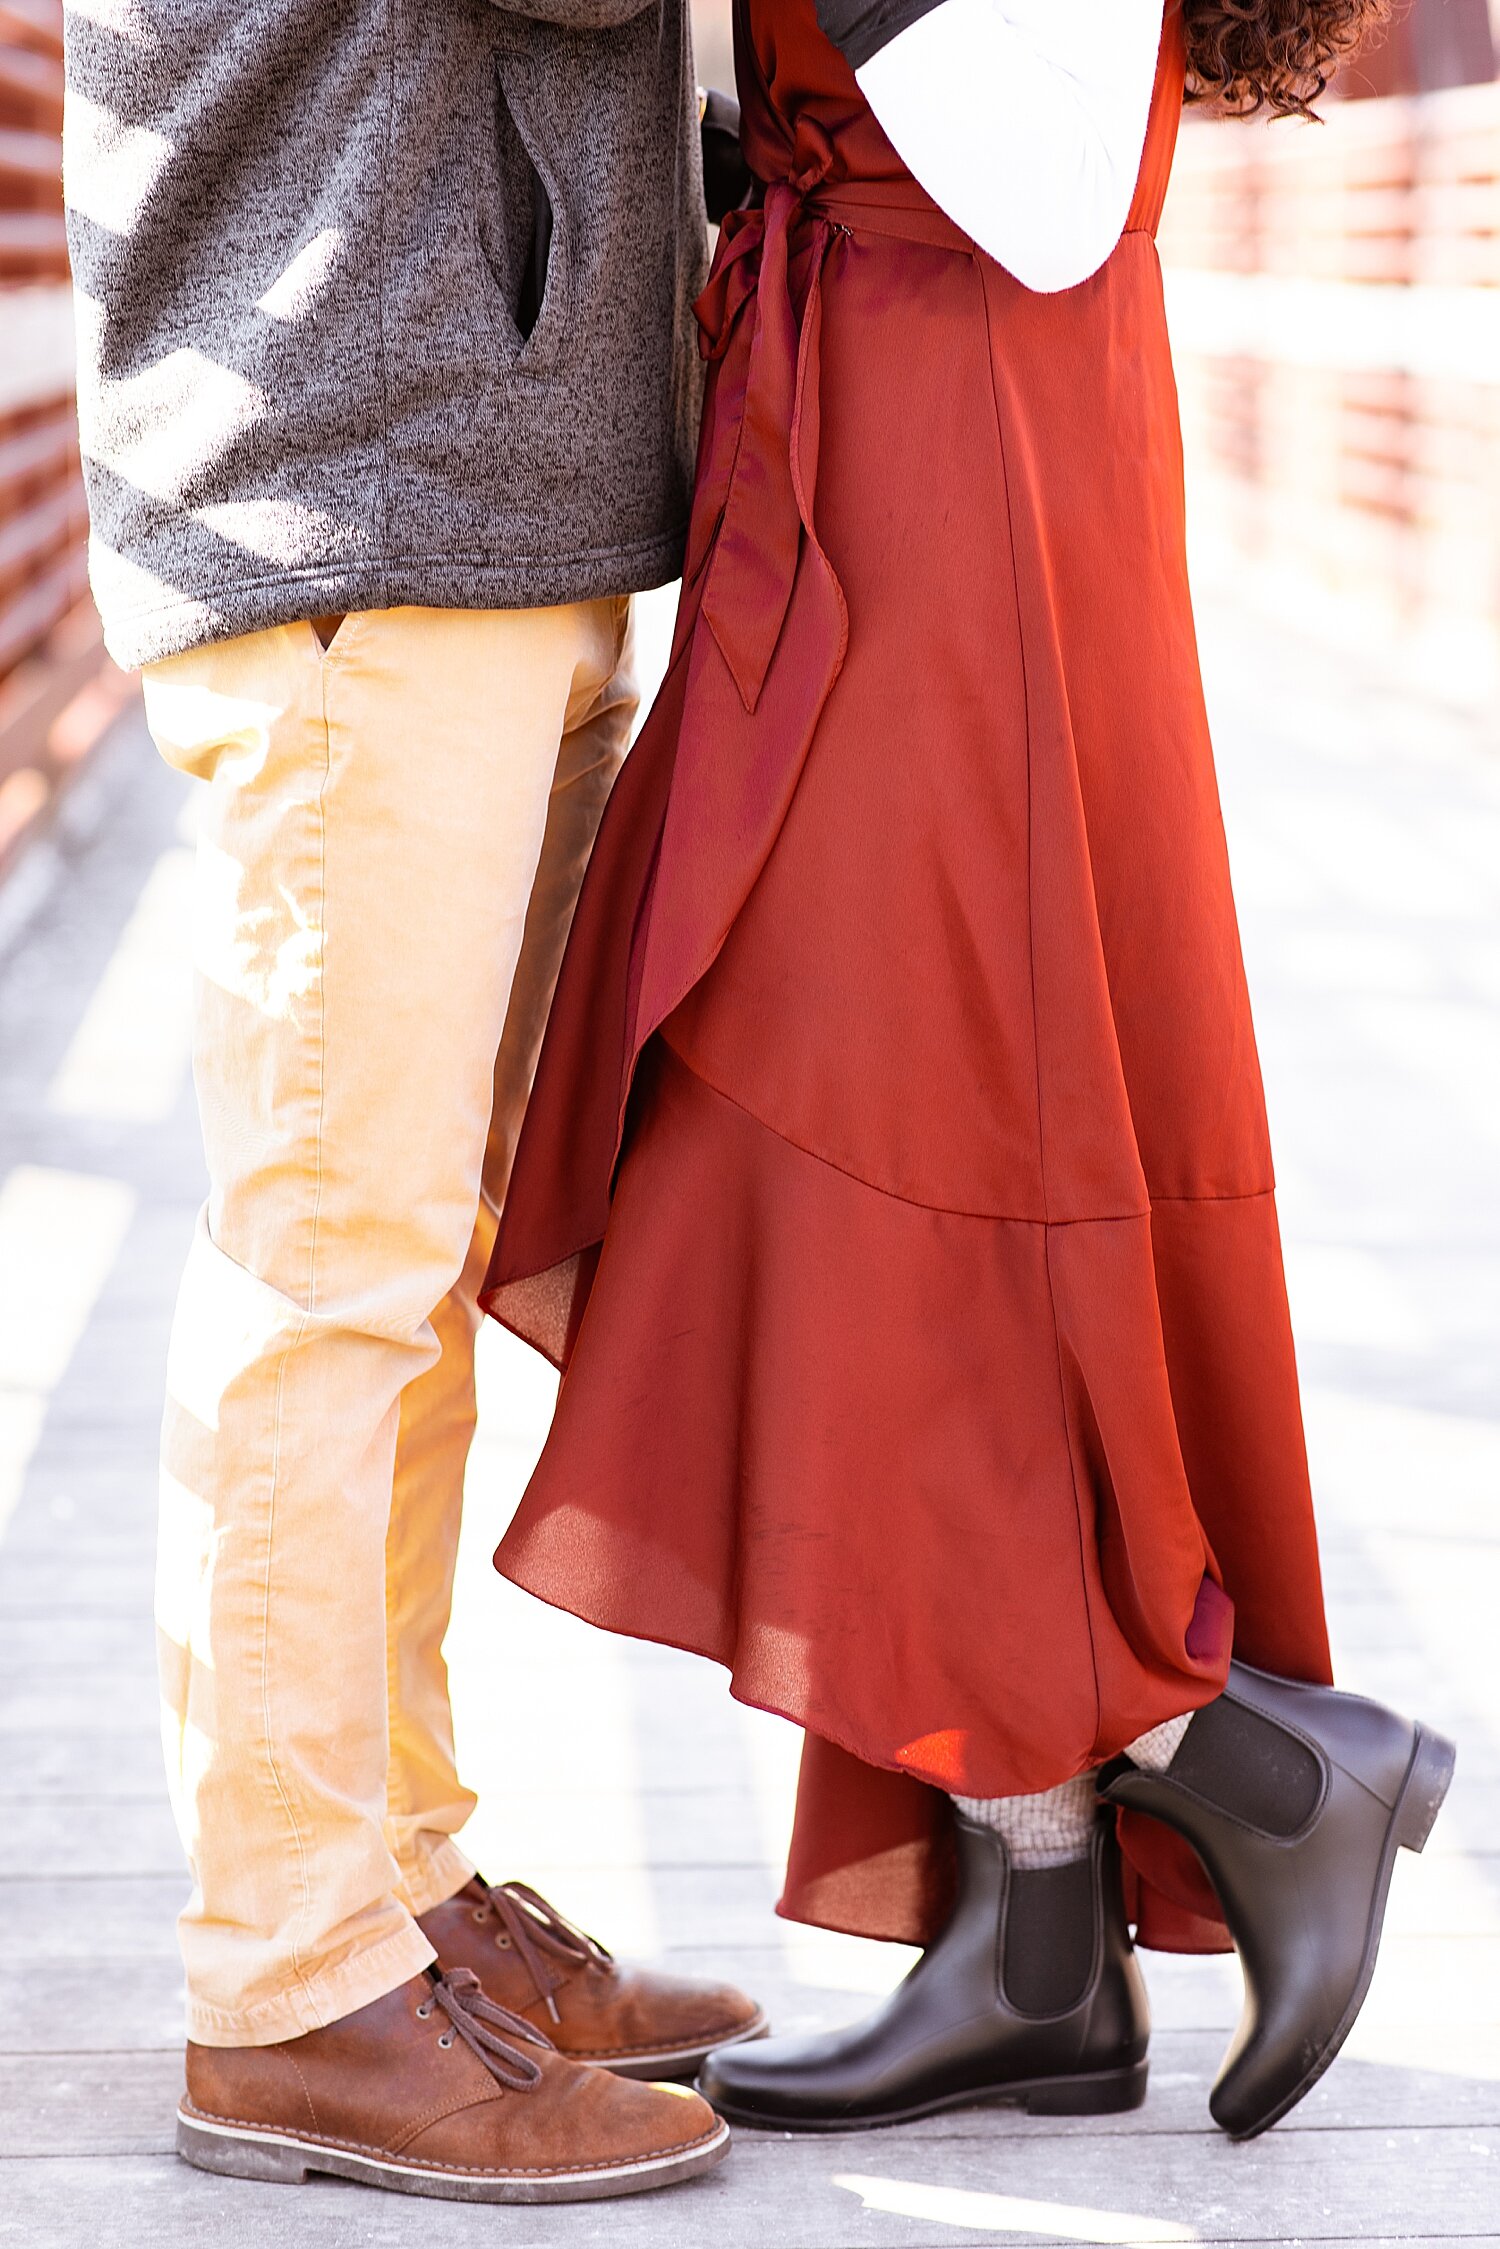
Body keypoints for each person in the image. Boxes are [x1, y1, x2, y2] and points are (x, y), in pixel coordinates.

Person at [481, 0, 1455, 2145]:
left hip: (955, 451)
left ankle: (1254, 1765)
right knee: (898, 1144)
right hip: (903, 423)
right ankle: (1040, 1931)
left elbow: (1035, 173)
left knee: (901, 1145)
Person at [62, 0, 764, 2207]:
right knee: (334, 1264)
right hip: (360, 481)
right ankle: (289, 1986)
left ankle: (388, 1889)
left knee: (407, 1265)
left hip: (459, 476)